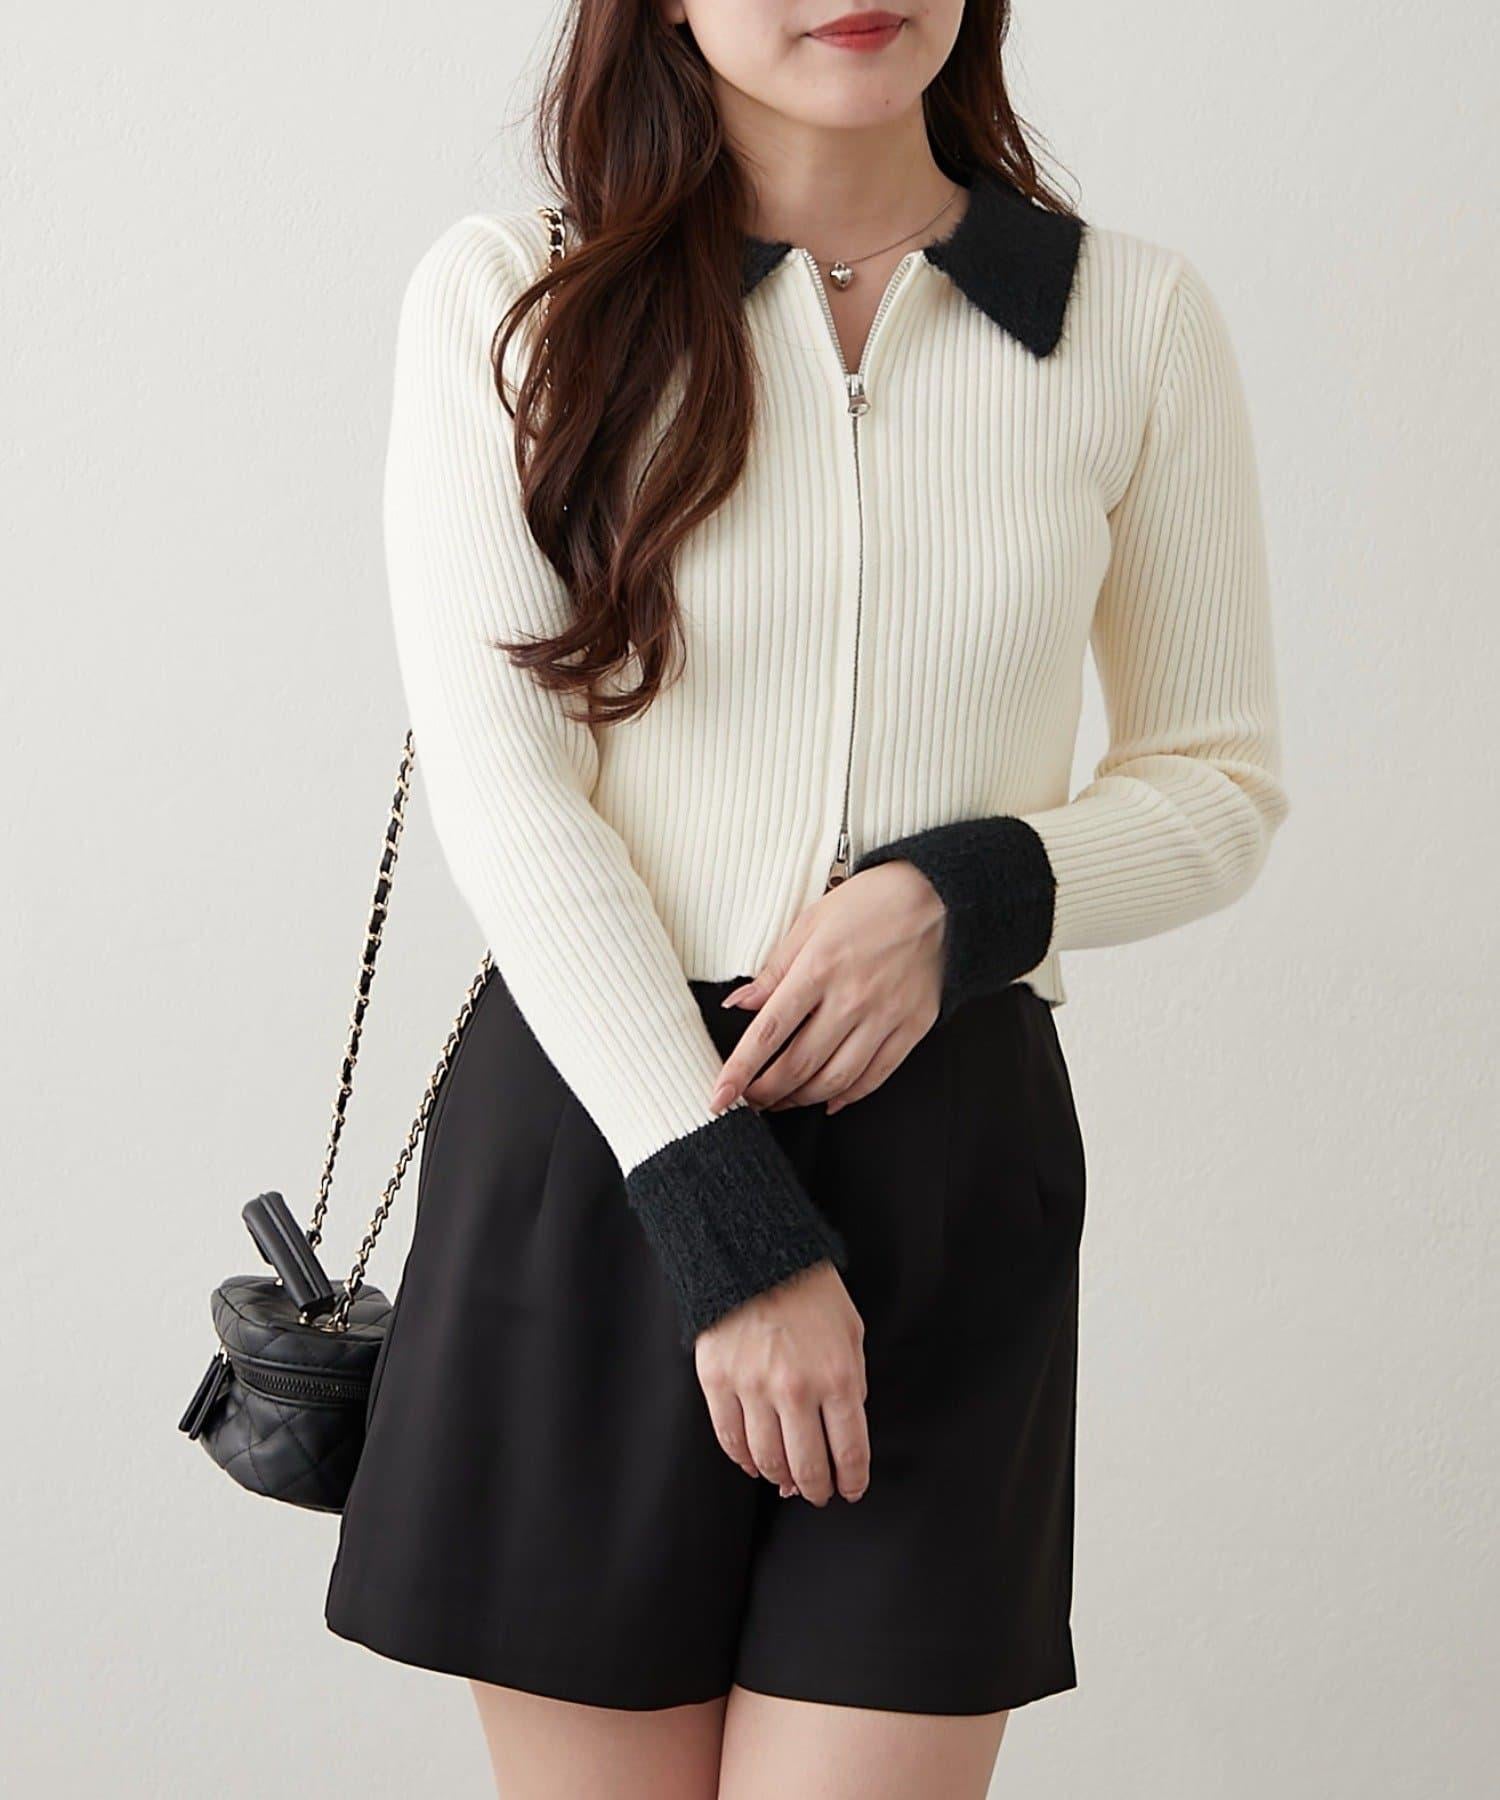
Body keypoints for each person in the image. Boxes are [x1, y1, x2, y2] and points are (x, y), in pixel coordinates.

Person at [323, 3, 1289, 1794]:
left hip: (946, 1159)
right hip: (607, 1148)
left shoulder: (1124, 319)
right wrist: (728, 1229)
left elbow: (1219, 785)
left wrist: (965, 894)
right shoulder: (520, 298)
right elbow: (509, 791)